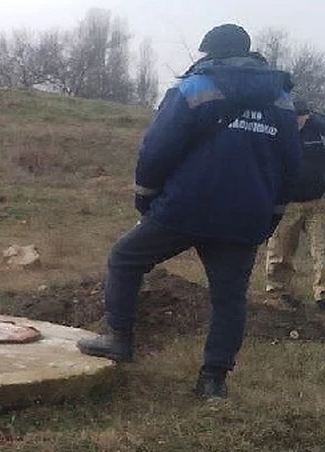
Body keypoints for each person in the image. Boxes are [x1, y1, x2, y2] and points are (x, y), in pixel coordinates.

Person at [76, 23, 302, 399]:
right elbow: (291, 166)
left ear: (210, 52)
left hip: (185, 207)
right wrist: (271, 214)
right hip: (245, 216)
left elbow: (156, 149)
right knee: (229, 297)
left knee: (125, 258)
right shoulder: (280, 99)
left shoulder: (195, 88)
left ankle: (119, 338)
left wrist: (146, 199)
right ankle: (213, 380)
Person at [264, 98, 325, 311]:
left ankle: (322, 294)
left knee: (322, 250)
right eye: (294, 117)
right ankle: (278, 293)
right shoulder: (277, 131)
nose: (297, 121)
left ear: (307, 116)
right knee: (281, 250)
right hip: (287, 203)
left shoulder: (319, 130)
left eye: (301, 117)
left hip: (317, 202)